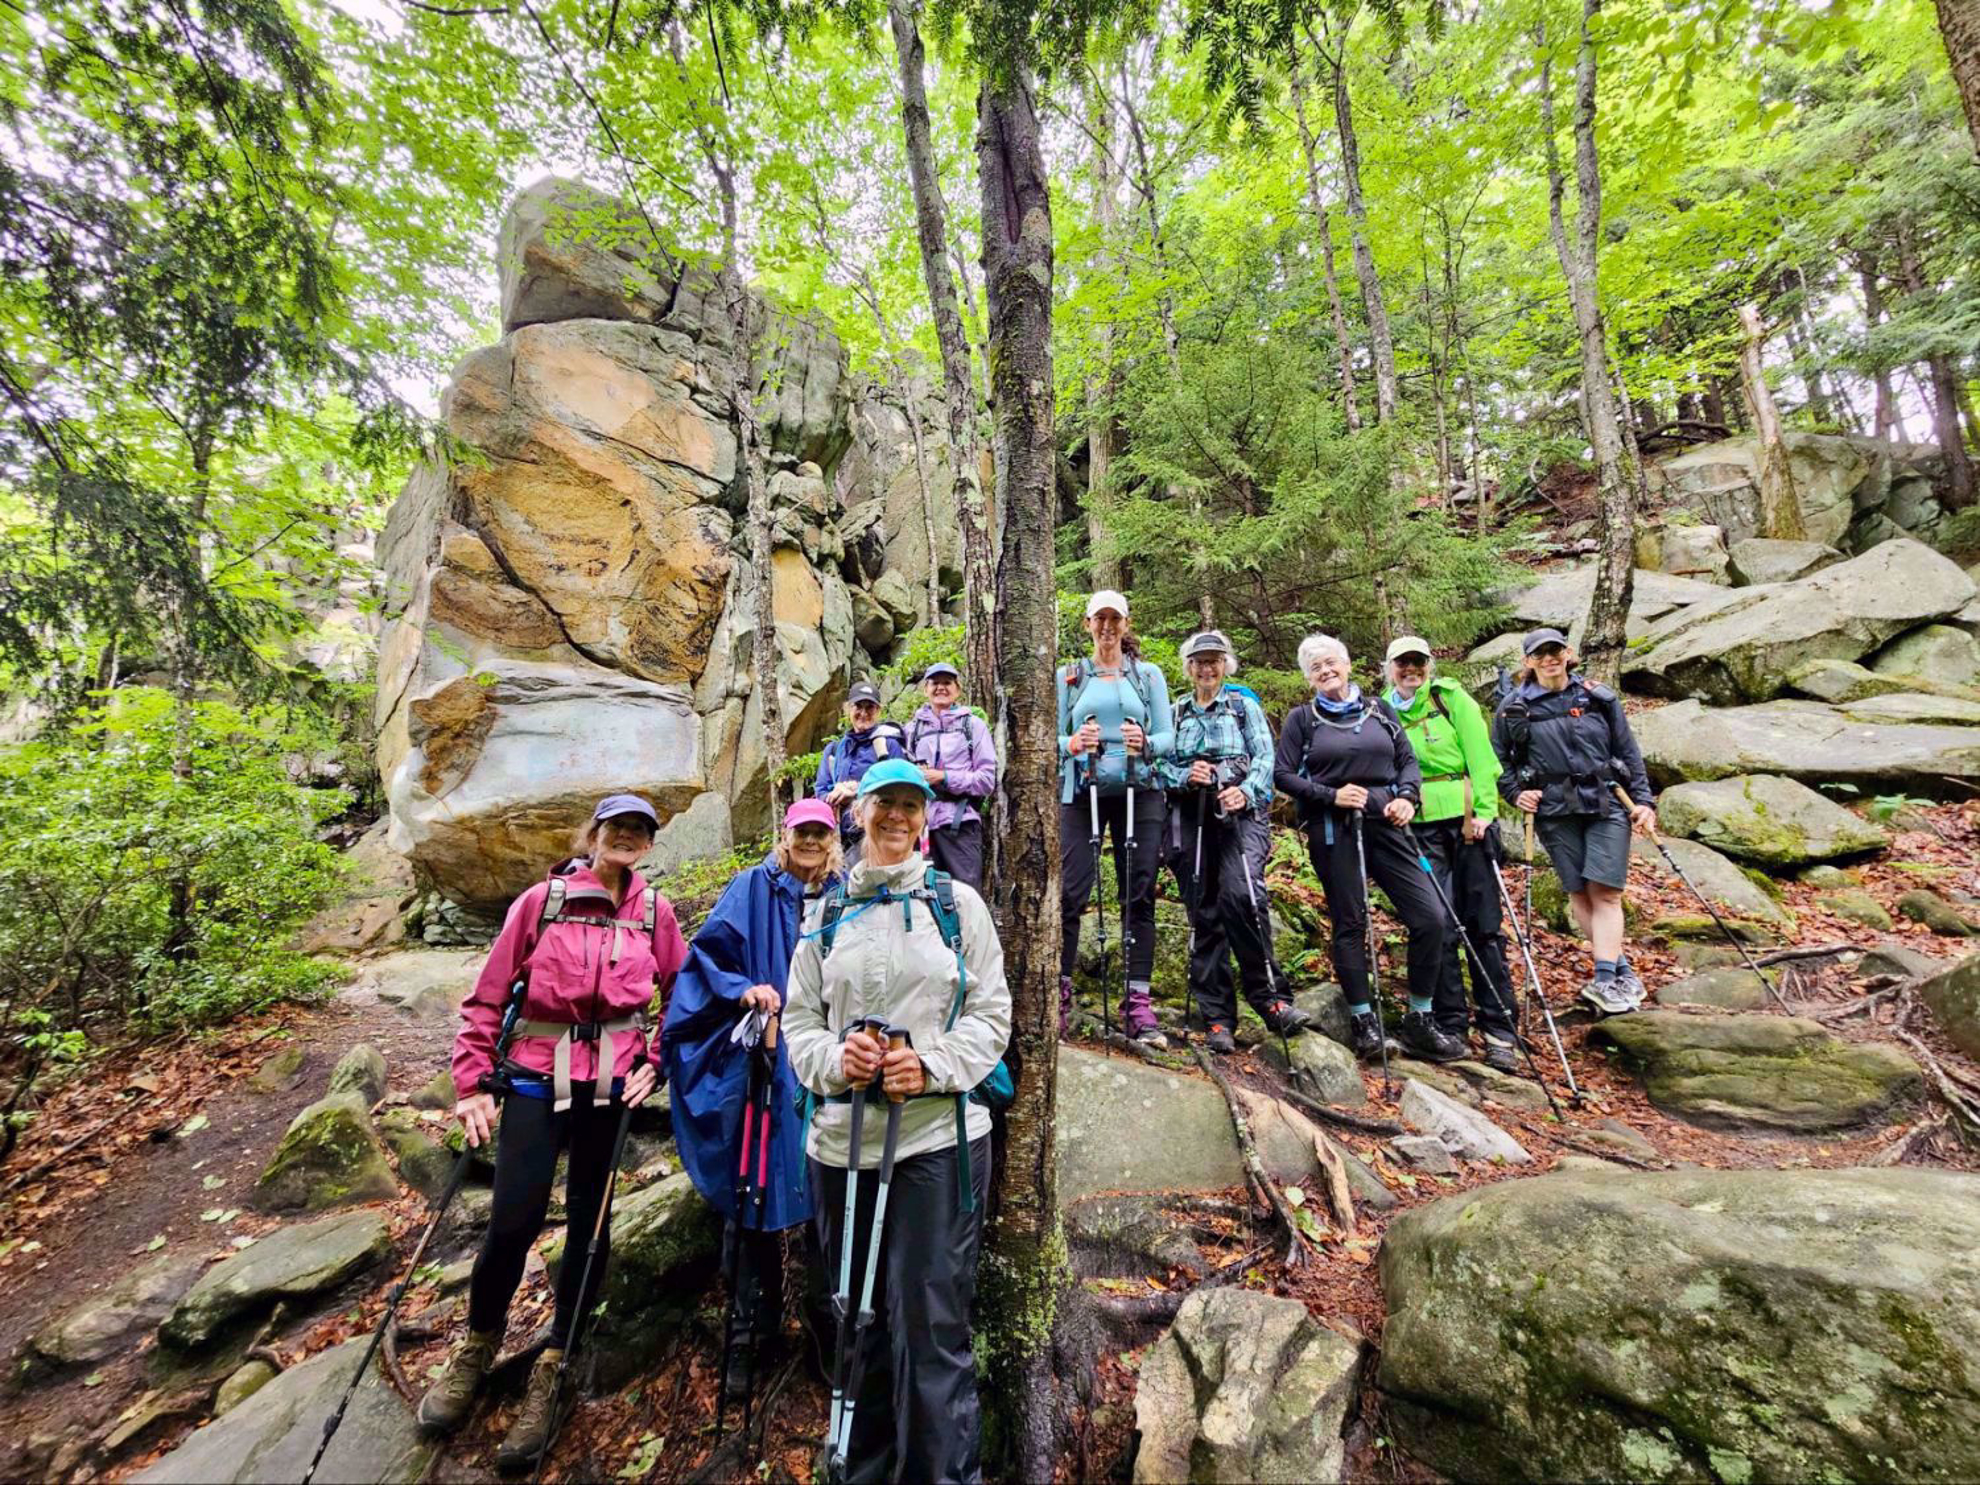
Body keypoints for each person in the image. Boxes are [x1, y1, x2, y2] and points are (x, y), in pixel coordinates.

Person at [419, 795, 687, 1468]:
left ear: (649, 845)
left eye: (640, 830)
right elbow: (488, 993)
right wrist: (472, 1081)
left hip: (612, 1086)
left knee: (591, 1231)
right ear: (592, 834)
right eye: (616, 826)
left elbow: (682, 993)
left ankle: (555, 1363)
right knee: (514, 1218)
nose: (627, 837)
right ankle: (478, 1345)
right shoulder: (541, 901)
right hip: (539, 1077)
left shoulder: (655, 913)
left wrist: (656, 1061)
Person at [784, 757, 1011, 1485]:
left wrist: (932, 1064)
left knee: (932, 1325)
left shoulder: (957, 905)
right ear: (860, 811)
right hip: (841, 1146)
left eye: (912, 806)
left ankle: (942, 1475)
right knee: (859, 1320)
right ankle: (864, 1468)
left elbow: (993, 1015)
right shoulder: (823, 912)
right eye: (886, 802)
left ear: (926, 818)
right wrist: (835, 1059)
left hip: (936, 1140)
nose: (899, 817)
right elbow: (798, 1024)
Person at [662, 798, 842, 1401]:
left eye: (822, 833)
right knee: (752, 1193)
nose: (812, 842)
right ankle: (749, 1334)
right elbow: (708, 956)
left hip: (828, 1063)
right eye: (803, 833)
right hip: (764, 1059)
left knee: (828, 1195)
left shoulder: (848, 894)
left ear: (834, 838)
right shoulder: (751, 887)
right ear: (785, 836)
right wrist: (746, 991)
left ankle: (828, 1332)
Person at [1273, 635, 1465, 1064]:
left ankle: (1420, 1017)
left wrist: (1408, 797)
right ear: (1308, 677)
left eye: (1331, 663)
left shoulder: (1380, 709)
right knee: (1351, 922)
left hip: (1388, 822)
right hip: (1333, 827)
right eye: (1316, 667)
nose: (1326, 671)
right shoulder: (1303, 719)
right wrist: (1329, 794)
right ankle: (1363, 1022)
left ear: (1347, 664)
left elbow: (1407, 760)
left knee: (1431, 917)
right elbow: (1283, 775)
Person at [1157, 630, 1311, 1054]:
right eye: (1199, 661)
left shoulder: (1244, 707)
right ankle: (1218, 1017)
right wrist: (1185, 776)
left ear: (1226, 665)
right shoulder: (1175, 713)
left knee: (1242, 896)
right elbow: (1159, 766)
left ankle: (1271, 999)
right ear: (1189, 667)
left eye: (1215, 661)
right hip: (1190, 815)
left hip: (1241, 814)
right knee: (1204, 909)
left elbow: (1266, 758)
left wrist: (1244, 791)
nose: (1207, 668)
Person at [1492, 627, 1657, 1016]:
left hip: (1606, 802)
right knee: (1580, 892)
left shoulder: (1599, 698)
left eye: (1555, 651)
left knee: (1606, 891)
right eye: (1539, 654)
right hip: (1553, 808)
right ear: (1528, 662)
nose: (1549, 659)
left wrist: (1644, 800)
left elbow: (1628, 751)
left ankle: (1602, 981)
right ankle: (1621, 971)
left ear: (1568, 654)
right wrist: (1515, 793)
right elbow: (1498, 761)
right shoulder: (1513, 709)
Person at [1383, 636, 1520, 1073]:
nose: (1411, 671)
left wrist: (1485, 810)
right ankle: (1449, 1024)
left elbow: (1483, 758)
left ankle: (1499, 1028)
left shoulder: (1451, 699)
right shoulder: (1382, 711)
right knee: (1436, 924)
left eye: (1418, 663)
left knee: (1483, 924)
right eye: (1402, 663)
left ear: (1429, 665)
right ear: (1389, 668)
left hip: (1467, 823)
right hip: (1417, 828)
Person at [1057, 589, 1175, 1048]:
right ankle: (1060, 995)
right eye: (1099, 619)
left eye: (1115, 619)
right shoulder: (1069, 676)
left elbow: (1168, 736)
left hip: (1139, 790)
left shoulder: (1148, 676)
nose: (1107, 627)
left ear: (1126, 625)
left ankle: (1138, 1002)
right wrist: (1071, 744)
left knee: (1139, 890)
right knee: (1071, 891)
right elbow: (1049, 734)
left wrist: (1143, 740)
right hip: (1081, 790)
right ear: (1087, 624)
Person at [905, 661, 998, 891]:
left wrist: (943, 777)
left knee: (965, 897)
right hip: (920, 828)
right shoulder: (912, 730)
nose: (941, 688)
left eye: (947, 682)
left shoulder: (973, 726)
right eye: (935, 683)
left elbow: (987, 780)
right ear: (926, 689)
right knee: (923, 898)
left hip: (961, 824)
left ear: (957, 689)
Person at [814, 681, 908, 859]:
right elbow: (821, 790)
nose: (863, 713)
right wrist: (835, 795)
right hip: (841, 839)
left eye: (870, 707)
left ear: (878, 711)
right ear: (848, 709)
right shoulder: (834, 750)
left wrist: (858, 790)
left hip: (878, 835)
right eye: (858, 706)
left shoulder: (889, 746)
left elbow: (900, 789)